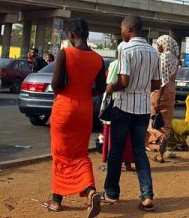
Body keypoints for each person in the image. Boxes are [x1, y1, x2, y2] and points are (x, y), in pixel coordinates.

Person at [43, 18, 105, 217]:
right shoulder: (97, 59)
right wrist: (84, 90)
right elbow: (101, 87)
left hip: (65, 108)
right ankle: (90, 190)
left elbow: (56, 85)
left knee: (60, 154)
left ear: (71, 34)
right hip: (85, 110)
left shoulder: (65, 54)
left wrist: (69, 88)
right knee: (80, 154)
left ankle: (56, 200)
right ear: (87, 34)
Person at [103, 16, 160, 212]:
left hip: (124, 106)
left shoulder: (124, 48)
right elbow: (156, 83)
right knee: (139, 151)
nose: (121, 32)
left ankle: (111, 193)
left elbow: (124, 81)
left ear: (128, 28)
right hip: (143, 108)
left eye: (122, 28)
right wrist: (142, 86)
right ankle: (147, 195)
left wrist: (111, 87)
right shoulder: (154, 52)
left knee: (116, 151)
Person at [101, 43, 134, 172]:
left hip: (114, 102)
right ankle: (127, 163)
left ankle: (111, 162)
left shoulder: (115, 64)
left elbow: (109, 85)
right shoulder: (131, 65)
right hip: (128, 104)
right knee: (127, 136)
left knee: (111, 135)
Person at [146, 35, 180, 163]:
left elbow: (162, 81)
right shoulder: (175, 59)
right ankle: (160, 154)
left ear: (164, 45)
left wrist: (157, 100)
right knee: (166, 125)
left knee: (151, 122)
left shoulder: (163, 57)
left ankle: (158, 140)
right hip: (171, 92)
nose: (157, 47)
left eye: (158, 44)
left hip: (160, 93)